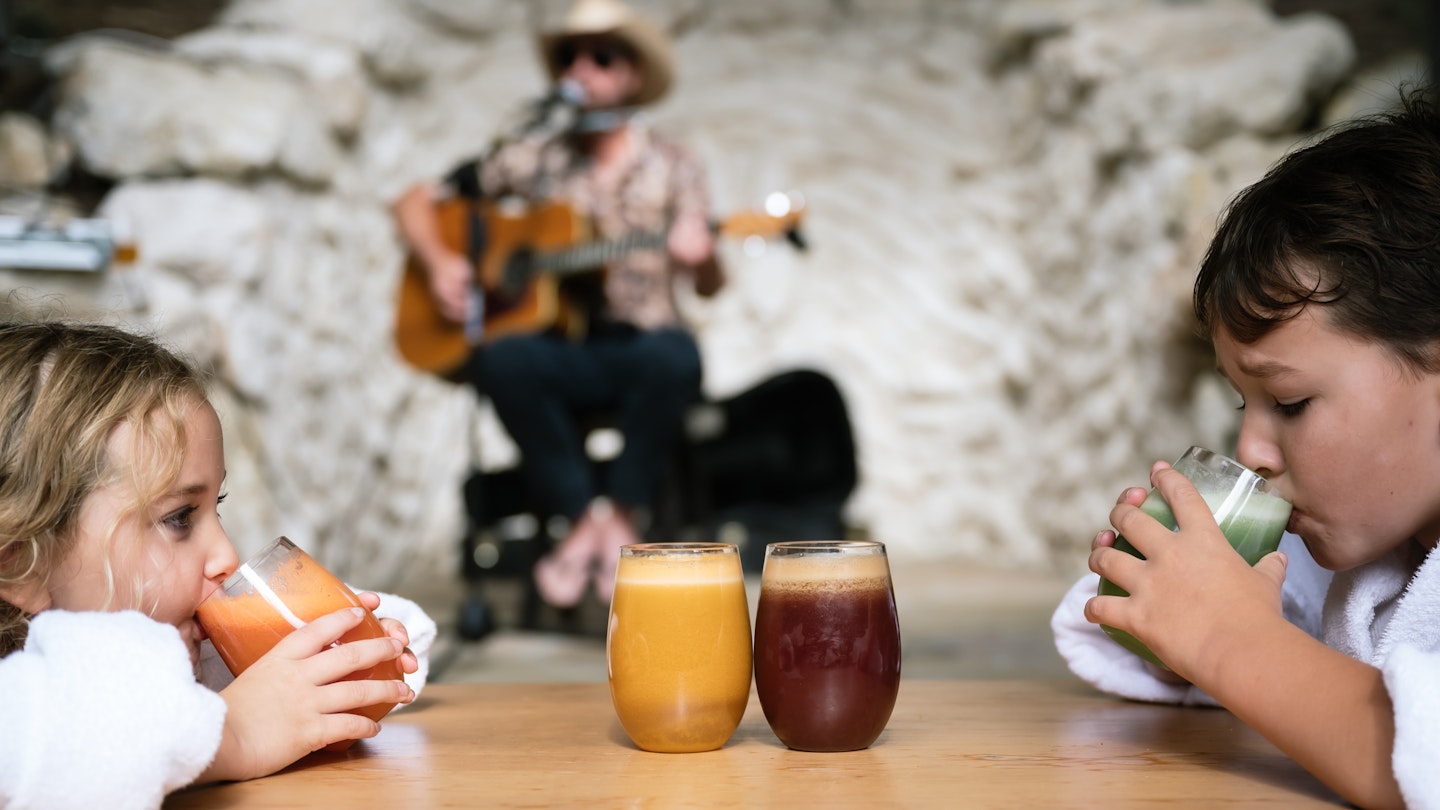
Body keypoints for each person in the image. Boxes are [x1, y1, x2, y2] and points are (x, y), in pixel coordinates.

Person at [1051, 90, 1440, 810]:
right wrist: (1173, 619)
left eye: (1290, 403)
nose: (1250, 449)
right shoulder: (1367, 559)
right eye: (1242, 402)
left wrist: (1229, 639)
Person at [0, 321, 436, 810]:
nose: (227, 556)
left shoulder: (190, 663)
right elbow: (57, 749)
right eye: (179, 517)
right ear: (22, 567)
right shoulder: (23, 706)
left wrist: (342, 655)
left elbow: (413, 634)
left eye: (217, 506)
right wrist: (235, 735)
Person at [392, 0, 724, 608]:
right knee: (500, 359)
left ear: (631, 73)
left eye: (601, 57)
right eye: (570, 57)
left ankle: (615, 521)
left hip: (642, 347)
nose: (582, 69)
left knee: (677, 356)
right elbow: (414, 202)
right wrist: (443, 261)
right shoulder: (535, 154)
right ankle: (582, 522)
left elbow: (708, 285)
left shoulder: (676, 163)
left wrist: (699, 254)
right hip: (563, 348)